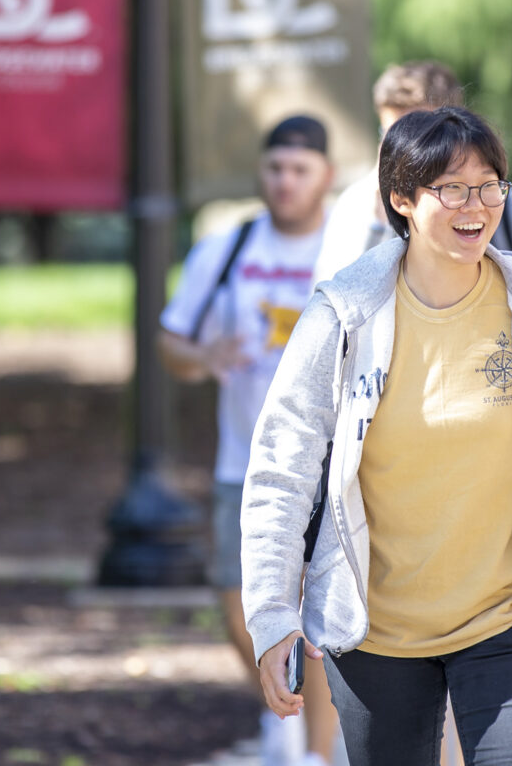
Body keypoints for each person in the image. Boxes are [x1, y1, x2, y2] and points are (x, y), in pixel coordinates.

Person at [241, 107, 512, 766]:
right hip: (376, 630)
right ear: (401, 198)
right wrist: (272, 615)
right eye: (451, 188)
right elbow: (282, 470)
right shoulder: (343, 314)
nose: (475, 205)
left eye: (489, 186)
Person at [158, 115, 340, 766]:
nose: (285, 182)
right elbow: (170, 341)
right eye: (275, 169)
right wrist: (206, 354)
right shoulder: (228, 249)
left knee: (314, 620)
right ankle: (279, 710)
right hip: (243, 462)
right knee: (239, 609)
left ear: (328, 176)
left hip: (326, 465)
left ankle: (314, 754)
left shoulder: (346, 251)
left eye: (300, 170)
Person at [312, 60, 512, 285]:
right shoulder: (355, 208)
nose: (405, 149)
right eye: (392, 133)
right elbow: (334, 304)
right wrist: (379, 220)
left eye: (424, 137)